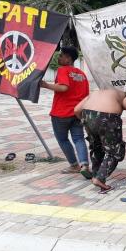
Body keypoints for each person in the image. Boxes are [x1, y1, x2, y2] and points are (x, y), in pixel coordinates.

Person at [74, 89, 126, 193]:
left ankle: (95, 175)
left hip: (87, 115)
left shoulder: (95, 92)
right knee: (114, 151)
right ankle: (99, 179)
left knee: (96, 147)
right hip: (108, 118)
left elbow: (76, 110)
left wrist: (86, 122)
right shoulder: (120, 93)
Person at [40, 46, 91, 178]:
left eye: (61, 55)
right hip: (77, 113)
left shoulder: (63, 70)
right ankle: (84, 164)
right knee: (79, 139)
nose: (59, 57)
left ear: (68, 59)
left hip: (61, 113)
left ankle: (74, 165)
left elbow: (63, 87)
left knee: (63, 140)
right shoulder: (82, 74)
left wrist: (46, 85)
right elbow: (86, 96)